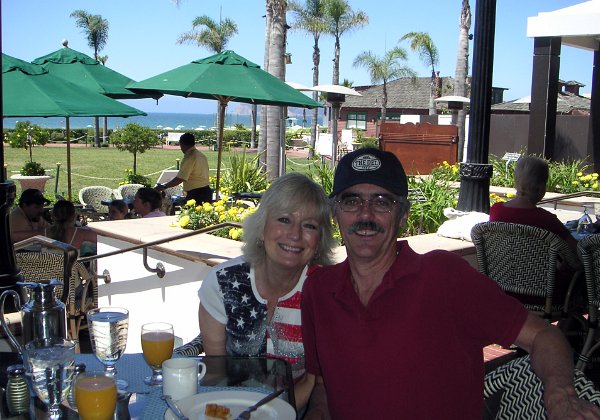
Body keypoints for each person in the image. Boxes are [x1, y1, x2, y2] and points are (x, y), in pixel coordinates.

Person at [301, 148, 600, 419]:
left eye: (382, 202)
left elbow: (543, 337)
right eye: (351, 201)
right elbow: (325, 387)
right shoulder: (319, 290)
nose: (365, 214)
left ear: (403, 215)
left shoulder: (444, 277)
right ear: (335, 213)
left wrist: (561, 396)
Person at [198, 172, 336, 409]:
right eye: (284, 220)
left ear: (319, 241)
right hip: (232, 405)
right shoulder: (222, 282)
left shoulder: (327, 292)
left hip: (297, 409)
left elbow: (317, 383)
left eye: (309, 226)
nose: (295, 234)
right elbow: (216, 374)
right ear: (262, 229)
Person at [489, 155, 576, 249]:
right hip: (540, 264)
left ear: (516, 182)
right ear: (541, 187)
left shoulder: (496, 210)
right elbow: (575, 247)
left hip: (501, 263)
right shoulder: (546, 219)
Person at [155, 132, 212, 204]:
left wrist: (163, 186)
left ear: (182, 144)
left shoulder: (190, 157)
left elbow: (180, 178)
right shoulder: (201, 155)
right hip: (206, 191)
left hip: (197, 194)